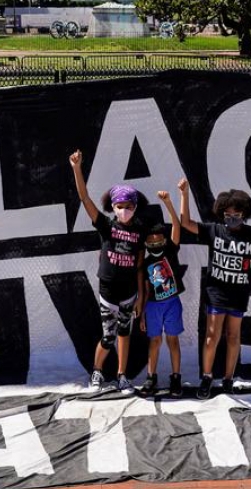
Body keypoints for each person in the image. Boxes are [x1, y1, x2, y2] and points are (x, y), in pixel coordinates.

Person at [178, 178, 251, 400]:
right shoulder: (215, 230)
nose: (231, 218)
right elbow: (186, 223)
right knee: (212, 335)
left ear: (244, 214)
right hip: (216, 294)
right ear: (221, 213)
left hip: (239, 295)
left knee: (233, 336)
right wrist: (184, 194)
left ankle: (229, 379)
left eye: (236, 214)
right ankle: (207, 377)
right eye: (227, 214)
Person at [70, 149, 148, 391]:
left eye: (128, 206)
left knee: (125, 334)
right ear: (113, 206)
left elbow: (140, 265)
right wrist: (77, 169)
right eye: (119, 206)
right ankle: (97, 372)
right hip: (107, 291)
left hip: (129, 293)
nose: (124, 210)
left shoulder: (140, 230)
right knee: (108, 336)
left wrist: (141, 298)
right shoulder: (106, 226)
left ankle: (122, 375)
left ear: (135, 206)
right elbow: (85, 198)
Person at [138, 189, 186, 397]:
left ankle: (176, 377)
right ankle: (151, 377)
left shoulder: (170, 252)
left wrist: (168, 203)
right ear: (146, 244)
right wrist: (142, 314)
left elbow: (176, 225)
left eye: (159, 242)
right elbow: (145, 289)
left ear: (164, 242)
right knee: (155, 341)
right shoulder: (146, 263)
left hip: (172, 303)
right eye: (151, 244)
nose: (155, 246)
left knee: (173, 340)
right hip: (153, 306)